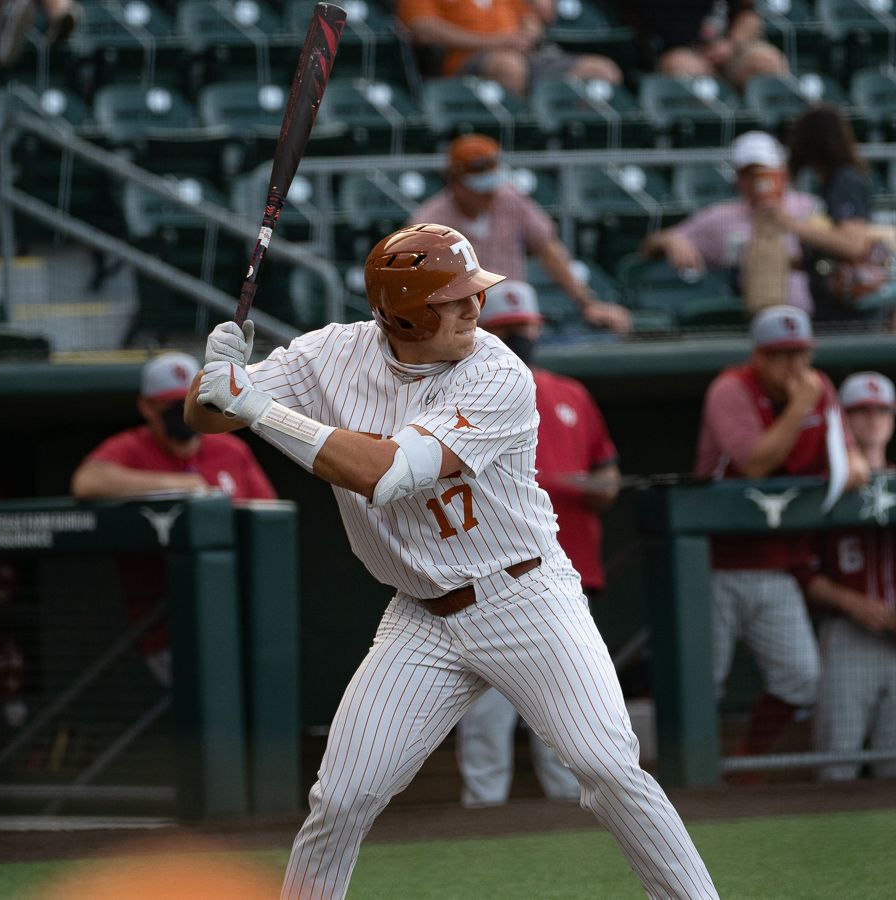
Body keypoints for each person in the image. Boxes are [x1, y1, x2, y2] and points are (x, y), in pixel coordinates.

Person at [187, 224, 716, 899]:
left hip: (524, 595)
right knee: (341, 797)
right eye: (453, 298)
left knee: (608, 766)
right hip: (420, 617)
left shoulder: (496, 373)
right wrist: (216, 378)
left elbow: (386, 475)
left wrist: (258, 408)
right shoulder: (330, 354)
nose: (474, 308)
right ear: (402, 310)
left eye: (475, 293)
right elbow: (208, 417)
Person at [456, 280, 621, 807]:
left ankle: (572, 826)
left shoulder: (572, 393)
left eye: (525, 327)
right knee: (486, 717)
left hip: (565, 577)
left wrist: (583, 485)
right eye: (507, 330)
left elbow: (607, 479)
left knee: (568, 718)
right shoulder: (460, 394)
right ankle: (481, 822)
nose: (520, 336)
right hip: (487, 581)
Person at [694, 305, 869, 776]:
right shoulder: (731, 388)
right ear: (759, 356)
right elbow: (754, 461)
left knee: (802, 678)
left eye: (800, 353)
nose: (793, 366)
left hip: (777, 563)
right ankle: (694, 776)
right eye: (780, 355)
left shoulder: (821, 388)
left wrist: (850, 464)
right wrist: (799, 407)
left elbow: (853, 463)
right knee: (702, 682)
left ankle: (749, 761)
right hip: (712, 563)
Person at [71, 351, 277, 685]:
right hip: (165, 626)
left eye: (188, 401)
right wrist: (183, 486)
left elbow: (268, 519)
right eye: (170, 405)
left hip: (235, 616)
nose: (181, 413)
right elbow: (87, 482)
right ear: (147, 408)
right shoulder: (133, 448)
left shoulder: (230, 450)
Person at [804, 372, 896, 781]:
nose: (874, 420)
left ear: (893, 419)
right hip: (848, 636)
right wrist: (853, 604)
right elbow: (804, 573)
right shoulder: (823, 489)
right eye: (861, 412)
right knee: (836, 763)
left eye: (882, 411)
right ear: (843, 421)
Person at [410, 133, 631, 334]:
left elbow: (548, 248)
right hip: (461, 321)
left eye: (491, 185)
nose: (489, 194)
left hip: (515, 314)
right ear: (455, 182)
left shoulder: (509, 199)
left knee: (520, 310)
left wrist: (587, 302)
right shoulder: (430, 221)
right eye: (479, 188)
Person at [641, 131, 821, 314]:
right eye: (748, 174)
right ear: (738, 178)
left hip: (815, 319)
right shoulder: (720, 217)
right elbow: (651, 244)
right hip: (747, 320)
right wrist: (672, 240)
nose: (757, 181)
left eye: (765, 173)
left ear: (782, 173)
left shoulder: (810, 208)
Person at [774, 104, 879, 326]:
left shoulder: (845, 180)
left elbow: (853, 244)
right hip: (831, 308)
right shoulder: (829, 183)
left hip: (852, 316)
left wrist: (791, 224)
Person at [396, 0, 622, 97]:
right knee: (509, 67)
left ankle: (571, 141)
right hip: (464, 61)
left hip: (525, 54)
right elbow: (423, 30)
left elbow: (532, 18)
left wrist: (529, 34)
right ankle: (522, 141)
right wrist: (498, 42)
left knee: (602, 71)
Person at [641, 0, 788, 91]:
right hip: (683, 51)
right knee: (683, 67)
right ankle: (705, 135)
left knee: (766, 61)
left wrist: (731, 43)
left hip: (730, 48)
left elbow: (749, 14)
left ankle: (764, 131)